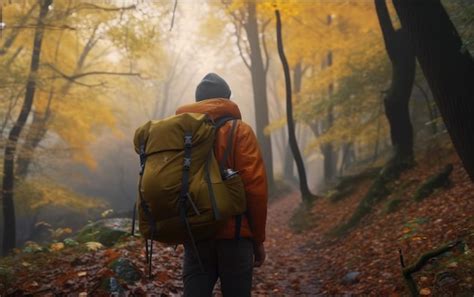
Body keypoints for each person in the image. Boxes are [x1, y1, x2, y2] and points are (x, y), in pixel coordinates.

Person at [175, 73, 268, 297]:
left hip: (196, 235)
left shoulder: (180, 133)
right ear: (227, 98)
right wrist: (257, 239)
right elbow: (255, 188)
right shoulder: (240, 131)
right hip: (235, 236)